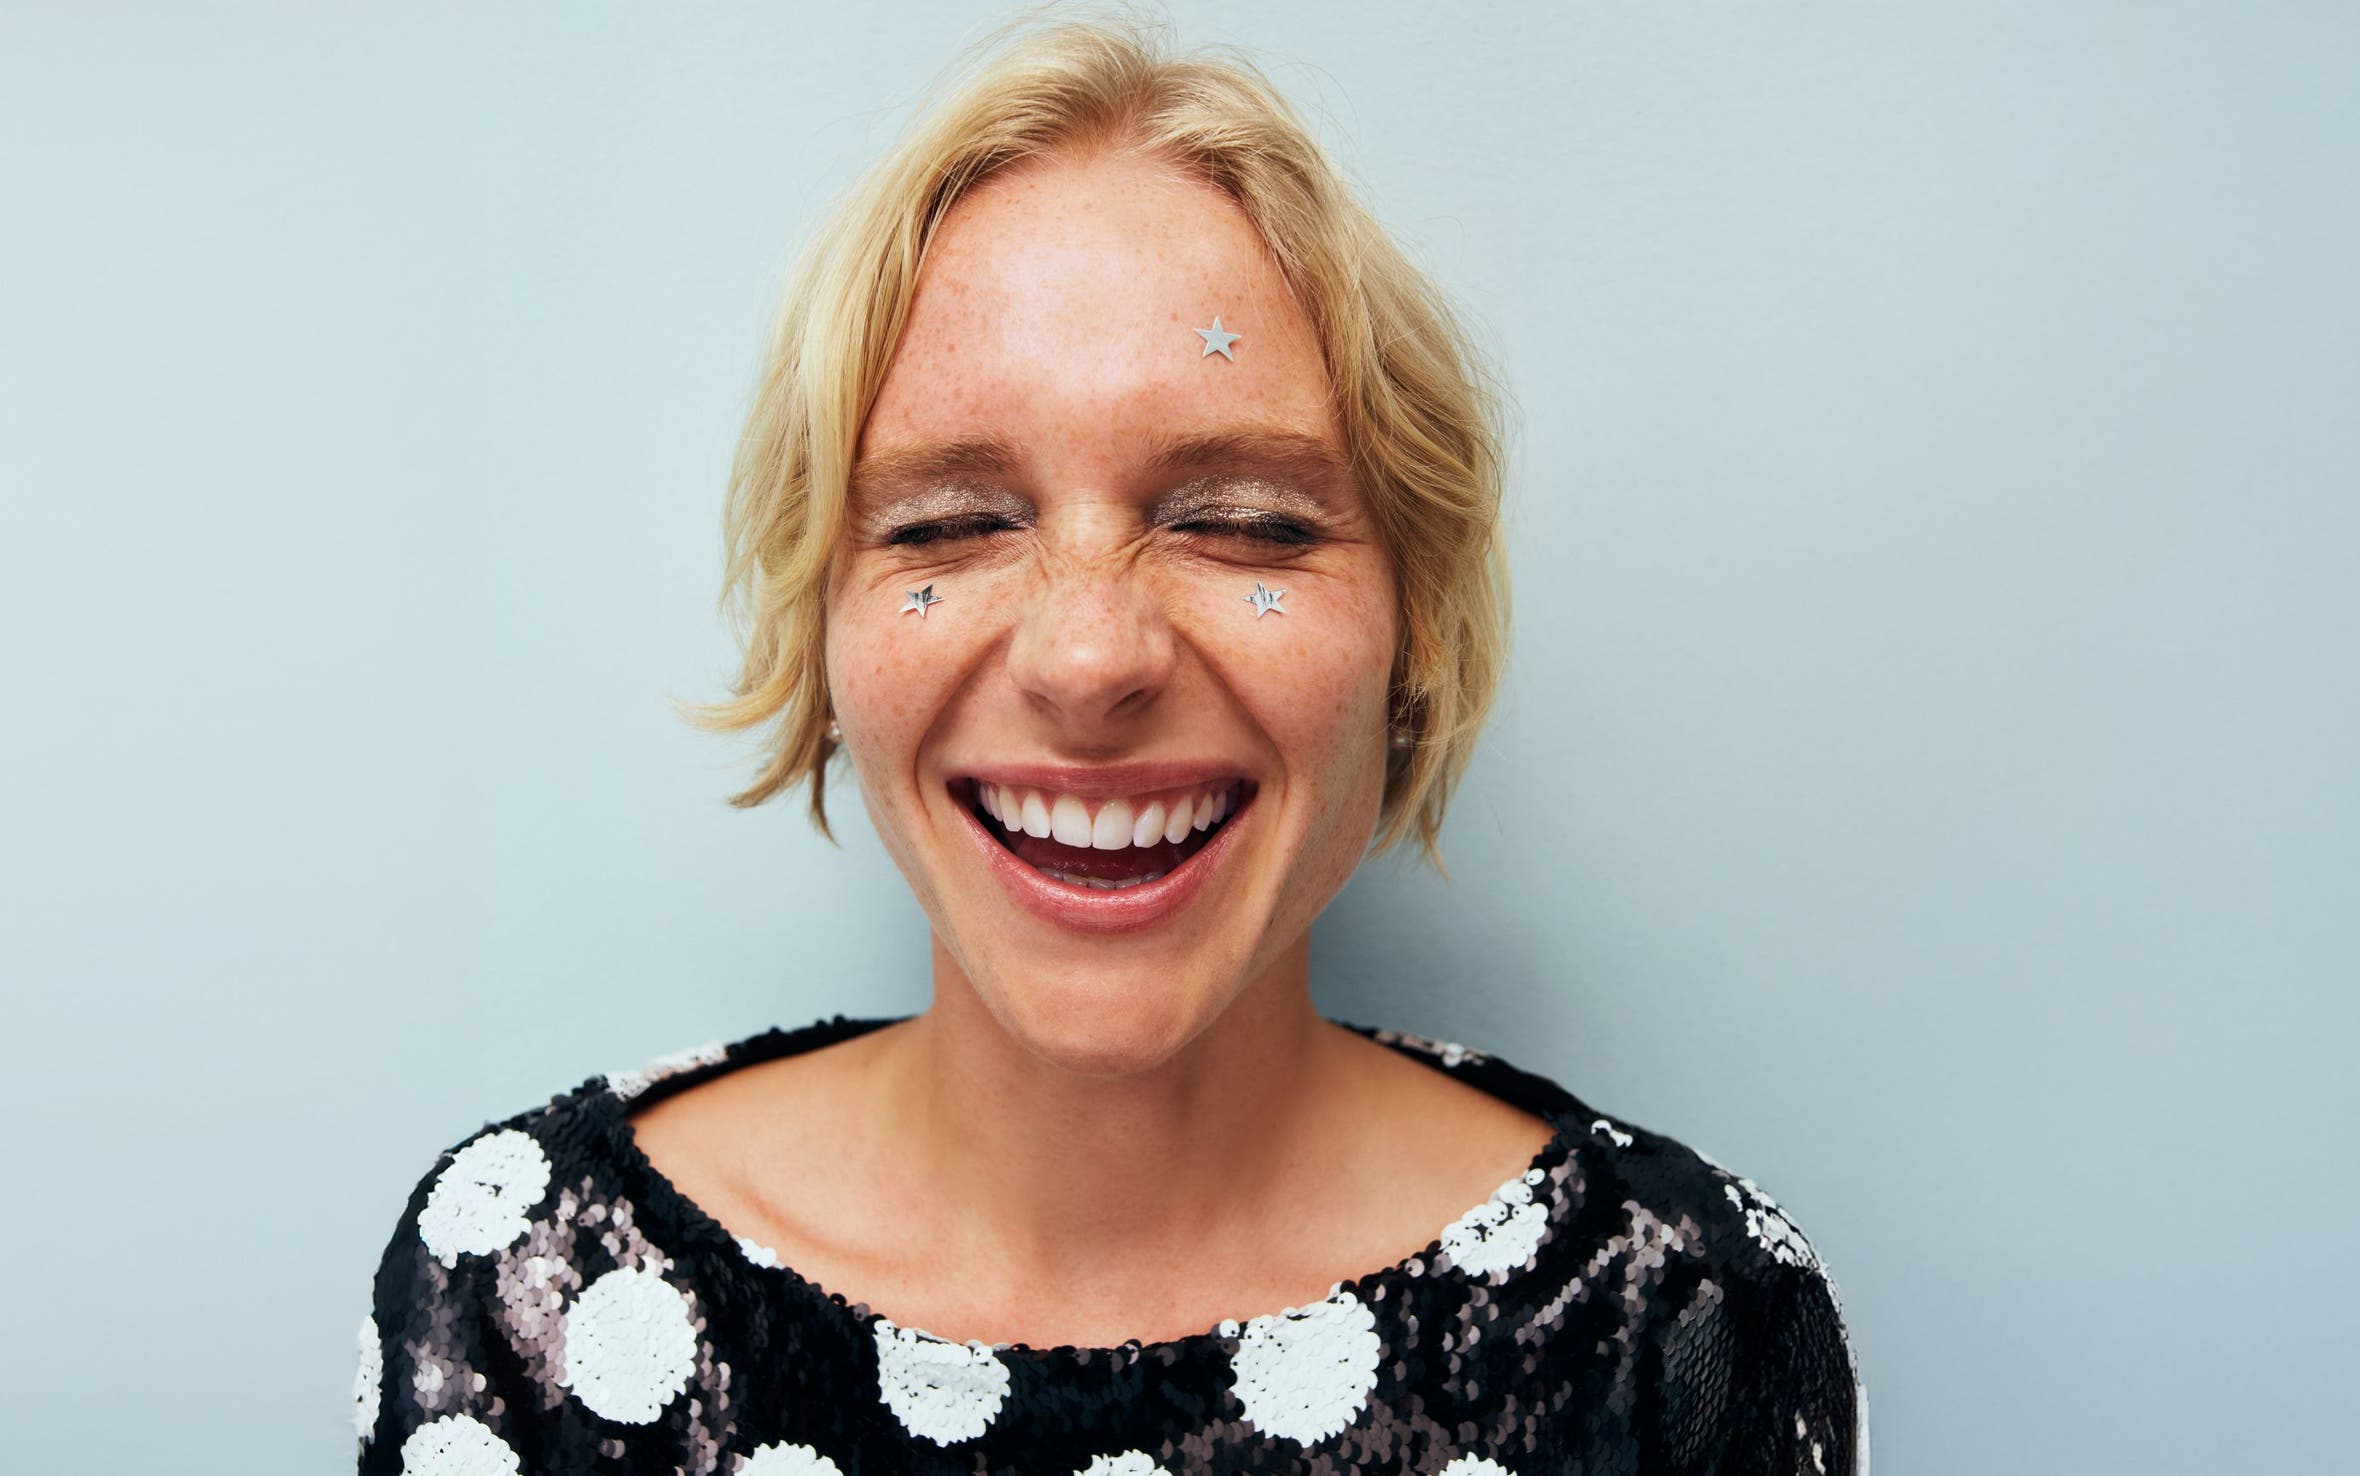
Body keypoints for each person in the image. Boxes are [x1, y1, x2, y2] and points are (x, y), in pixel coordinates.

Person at [356, 17, 1864, 1475]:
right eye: (949, 525)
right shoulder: (532, 1288)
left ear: (1413, 635)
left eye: (1245, 525)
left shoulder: (1686, 1320)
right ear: (826, 630)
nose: (1088, 660)